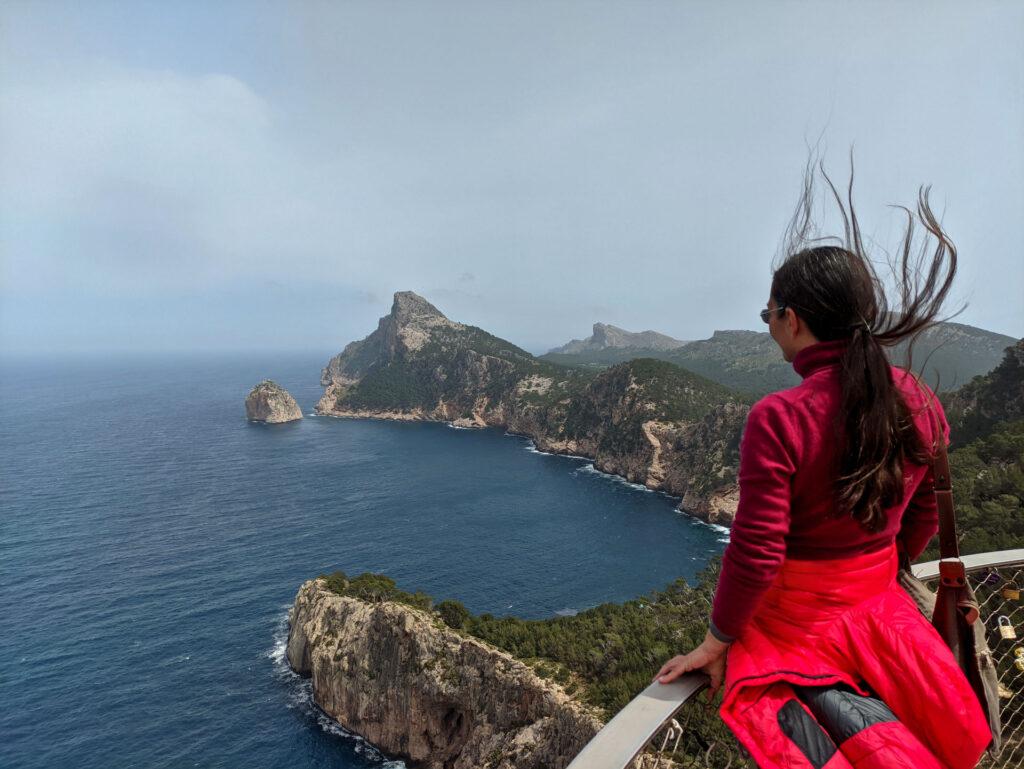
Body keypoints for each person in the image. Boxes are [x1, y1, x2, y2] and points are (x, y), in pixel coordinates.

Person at [652, 162, 993, 769]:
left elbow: (756, 550)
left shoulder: (780, 416)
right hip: (881, 612)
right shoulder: (918, 398)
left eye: (768, 315)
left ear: (794, 319)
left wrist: (717, 640)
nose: (769, 327)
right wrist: (886, 569)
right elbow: (921, 515)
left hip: (800, 626)